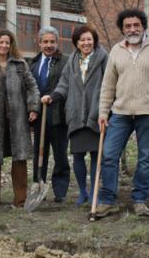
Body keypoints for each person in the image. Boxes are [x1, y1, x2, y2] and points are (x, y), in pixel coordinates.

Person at [95, 8, 149, 218]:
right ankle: (107, 200)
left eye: (136, 25)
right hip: (120, 113)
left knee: (146, 158)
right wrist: (103, 113)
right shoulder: (116, 51)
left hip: (148, 113)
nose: (132, 29)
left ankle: (140, 199)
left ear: (143, 26)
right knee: (109, 155)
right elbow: (107, 86)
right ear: (122, 29)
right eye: (128, 26)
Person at [42, 25, 108, 206]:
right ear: (76, 43)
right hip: (76, 114)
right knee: (78, 155)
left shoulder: (103, 58)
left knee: (96, 155)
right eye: (82, 40)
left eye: (89, 39)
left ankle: (94, 192)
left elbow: (110, 83)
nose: (86, 43)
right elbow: (63, 84)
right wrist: (53, 96)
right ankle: (83, 192)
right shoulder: (72, 61)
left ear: (94, 41)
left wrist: (106, 109)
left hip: (96, 113)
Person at [0, 29, 39, 208]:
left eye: (7, 42)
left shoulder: (20, 65)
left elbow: (32, 87)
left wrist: (33, 107)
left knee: (19, 159)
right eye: (1, 42)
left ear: (11, 45)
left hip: (18, 119)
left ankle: (20, 199)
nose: (4, 45)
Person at [30, 26, 70, 203]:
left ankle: (60, 190)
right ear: (39, 43)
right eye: (45, 42)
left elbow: (67, 85)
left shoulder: (66, 61)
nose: (49, 45)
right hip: (39, 117)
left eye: (52, 41)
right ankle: (39, 185)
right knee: (40, 153)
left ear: (57, 42)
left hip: (59, 116)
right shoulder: (33, 63)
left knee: (60, 154)